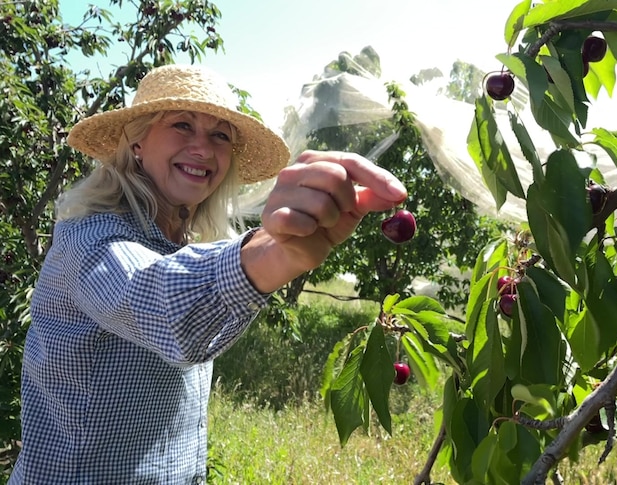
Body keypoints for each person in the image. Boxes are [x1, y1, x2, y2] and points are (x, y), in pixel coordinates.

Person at [9, 64, 407, 483]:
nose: (203, 148)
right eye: (182, 125)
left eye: (220, 135)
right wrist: (274, 254)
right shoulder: (89, 238)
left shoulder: (186, 246)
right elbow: (157, 304)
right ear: (138, 142)